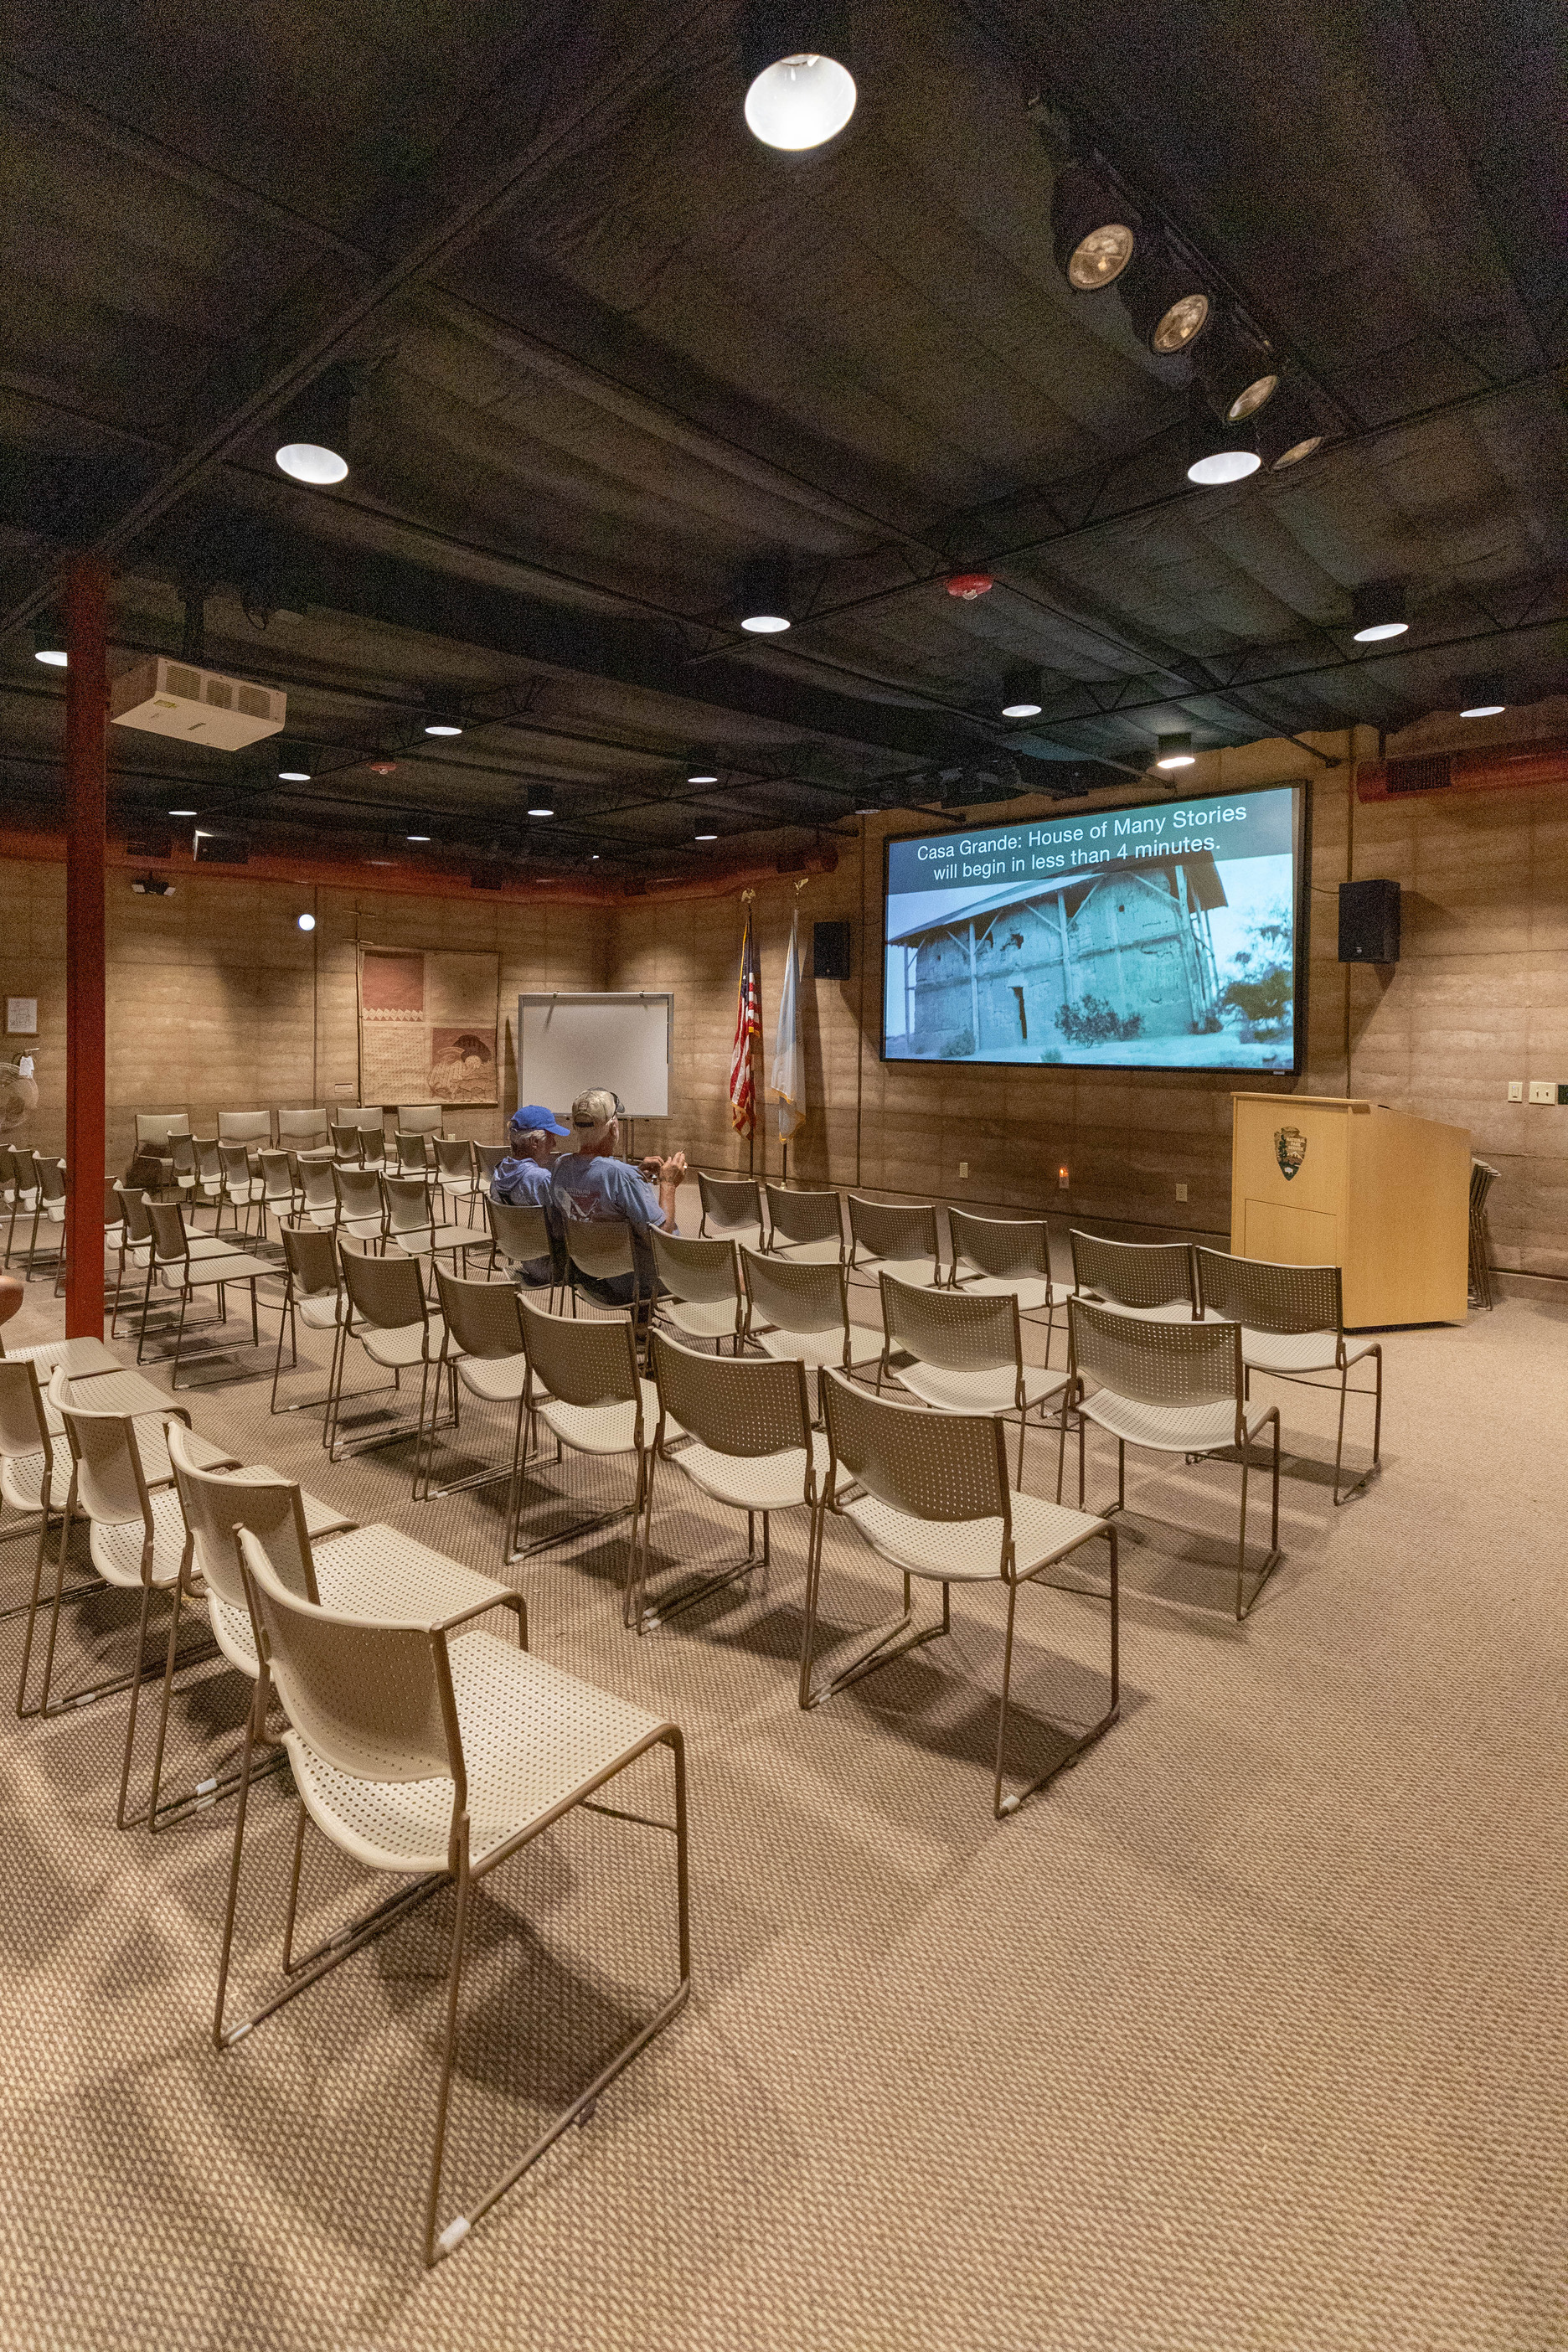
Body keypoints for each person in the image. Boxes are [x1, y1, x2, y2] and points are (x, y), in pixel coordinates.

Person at [550, 1086, 686, 1308]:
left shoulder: (560, 1166)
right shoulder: (621, 1177)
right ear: (613, 1127)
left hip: (587, 1269)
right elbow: (662, 1236)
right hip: (637, 1279)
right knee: (728, 1270)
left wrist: (634, 1175)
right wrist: (668, 1183)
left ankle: (643, 1328)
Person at [490, 1103, 570, 1288]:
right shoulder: (541, 1180)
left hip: (524, 1259)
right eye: (550, 1138)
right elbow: (567, 1229)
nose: (555, 1144)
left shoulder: (497, 1174)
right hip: (556, 1267)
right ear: (535, 1142)